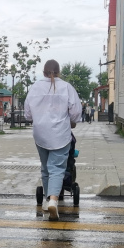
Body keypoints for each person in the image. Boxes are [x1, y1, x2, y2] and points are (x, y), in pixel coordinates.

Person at [24, 59, 81, 220]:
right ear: (59, 72)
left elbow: (27, 114)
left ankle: (48, 199)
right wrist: (70, 120)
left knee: (45, 168)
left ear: (43, 72)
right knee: (57, 168)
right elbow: (76, 113)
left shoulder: (35, 88)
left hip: (40, 134)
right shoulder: (67, 87)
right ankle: (53, 201)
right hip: (60, 134)